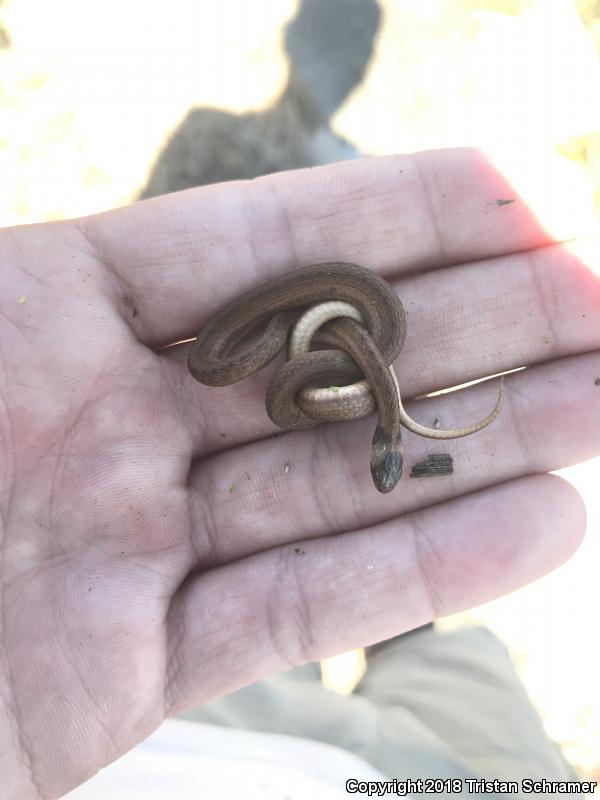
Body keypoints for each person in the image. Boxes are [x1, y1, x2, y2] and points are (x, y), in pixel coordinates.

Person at [1, 149, 598, 800]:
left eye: (384, 465)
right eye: (384, 467)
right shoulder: (354, 356)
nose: (383, 467)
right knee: (467, 684)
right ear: (383, 448)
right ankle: (405, 634)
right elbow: (233, 364)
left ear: (383, 445)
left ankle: (401, 631)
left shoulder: (370, 349)